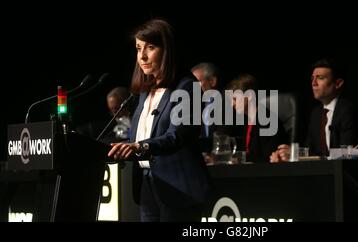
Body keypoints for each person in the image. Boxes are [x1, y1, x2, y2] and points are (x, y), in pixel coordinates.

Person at [107, 18, 210, 222]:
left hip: (179, 188)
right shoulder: (145, 92)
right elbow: (140, 135)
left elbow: (176, 137)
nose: (142, 56)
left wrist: (139, 147)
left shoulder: (188, 88)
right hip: (148, 183)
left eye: (150, 47)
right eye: (138, 49)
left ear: (166, 50)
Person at [271, 58, 358, 162]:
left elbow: (347, 153)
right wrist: (288, 156)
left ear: (338, 83)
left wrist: (295, 155)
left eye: (320, 78)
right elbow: (310, 151)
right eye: (312, 78)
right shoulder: (316, 113)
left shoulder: (347, 110)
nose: (313, 83)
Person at [228, 73, 288, 163]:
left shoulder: (267, 121)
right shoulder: (246, 121)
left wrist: (238, 160)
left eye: (235, 99)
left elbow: (267, 158)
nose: (232, 104)